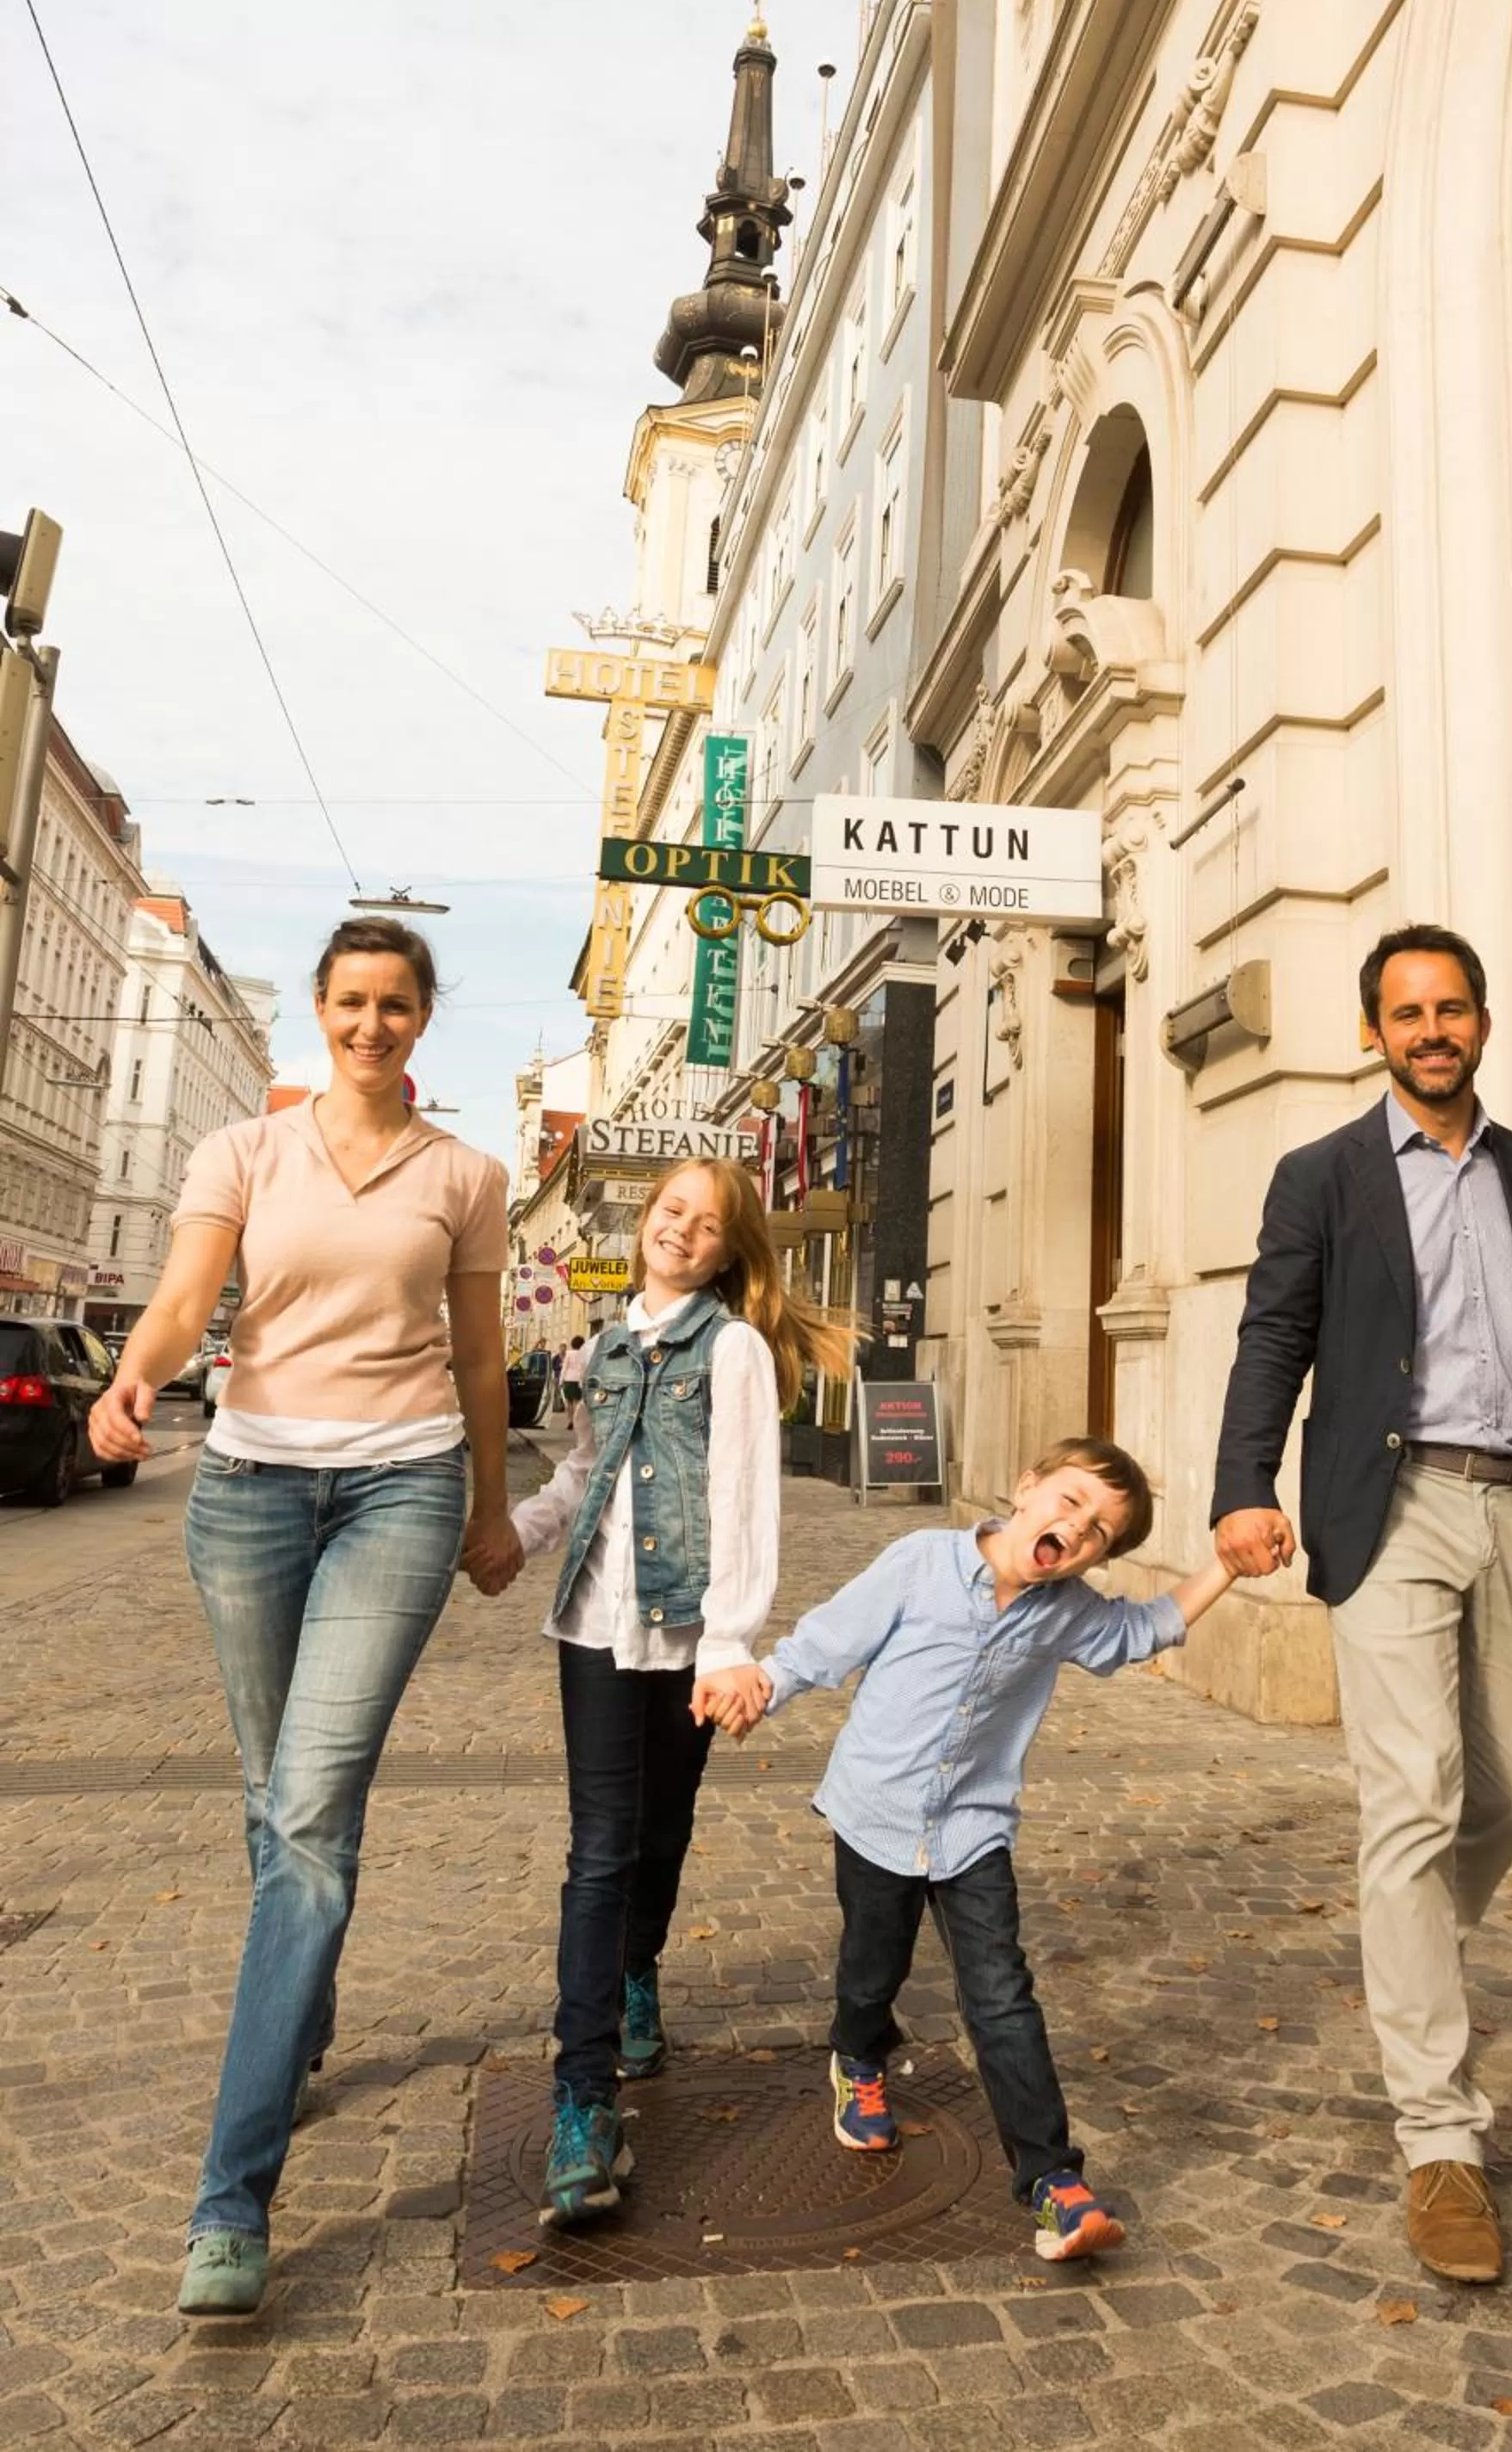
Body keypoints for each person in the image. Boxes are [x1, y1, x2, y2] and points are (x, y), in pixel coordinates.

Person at [1210, 924, 1512, 2284]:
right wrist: (1242, 1484)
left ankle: (1408, 1958)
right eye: (1406, 1013)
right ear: (1373, 1033)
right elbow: (1275, 1335)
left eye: (1451, 1007)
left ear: (1481, 1021)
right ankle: (1440, 2137)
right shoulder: (1322, 1175)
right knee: (1410, 1799)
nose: (1431, 1030)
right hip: (1390, 1507)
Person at [89, 917, 513, 2317]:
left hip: (400, 1492)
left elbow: (479, 1355)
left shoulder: (465, 1176)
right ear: (319, 1014)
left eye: (396, 1004)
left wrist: (493, 1508)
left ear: (424, 1018)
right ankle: (305, 2000)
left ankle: (231, 2201)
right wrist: (139, 1379)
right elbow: (186, 1296)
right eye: (351, 1002)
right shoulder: (243, 1151)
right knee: (278, 1806)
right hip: (251, 1497)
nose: (372, 1024)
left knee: (311, 1820)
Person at [713, 1436, 1238, 2263]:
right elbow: (828, 1643)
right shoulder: (922, 1561)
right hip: (874, 1813)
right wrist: (761, 1685)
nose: (1079, 1528)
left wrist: (1227, 1566)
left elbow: (1148, 1628)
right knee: (870, 1969)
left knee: (1001, 1995)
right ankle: (857, 2059)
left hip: (972, 1829)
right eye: (1070, 1502)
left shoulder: (1067, 1612)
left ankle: (1053, 2183)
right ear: (1026, 1490)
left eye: (1100, 1531)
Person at [465, 1158, 849, 2227]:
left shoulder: (730, 1350)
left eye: (708, 1223)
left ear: (729, 1253)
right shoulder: (599, 1349)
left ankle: (639, 1974)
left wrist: (732, 1641)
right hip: (591, 1624)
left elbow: (742, 1500)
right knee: (599, 1849)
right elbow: (580, 1475)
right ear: (646, 1221)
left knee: (660, 1829)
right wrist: (514, 1538)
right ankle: (583, 2102)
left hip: (687, 1638)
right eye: (672, 1210)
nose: (683, 1229)